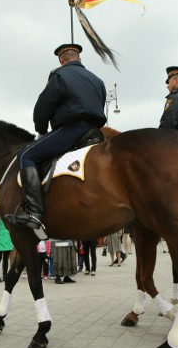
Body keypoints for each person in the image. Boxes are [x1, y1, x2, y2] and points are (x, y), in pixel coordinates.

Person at [6, 43, 107, 230]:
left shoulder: (59, 76)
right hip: (95, 132)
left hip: (72, 130)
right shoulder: (97, 80)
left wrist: (41, 129)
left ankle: (34, 213)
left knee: (26, 156)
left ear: (62, 60)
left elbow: (43, 107)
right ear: (80, 59)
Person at [0, 211, 13, 283]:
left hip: (8, 238)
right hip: (0, 237)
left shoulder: (10, 212)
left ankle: (5, 276)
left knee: (6, 259)